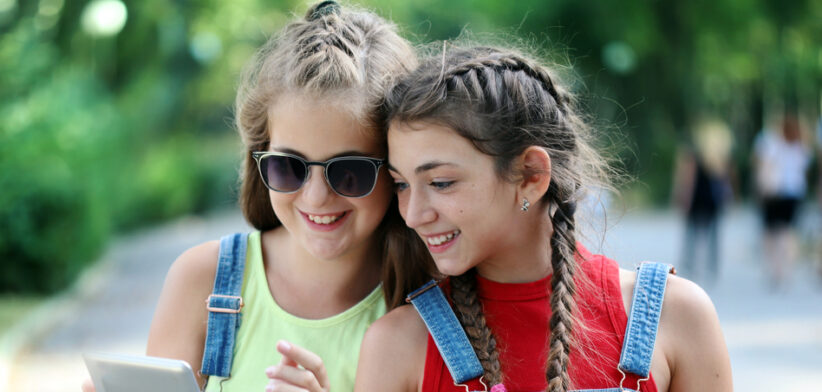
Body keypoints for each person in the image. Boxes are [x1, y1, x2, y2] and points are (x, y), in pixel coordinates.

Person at [82, 2, 432, 392]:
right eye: (289, 167)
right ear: (260, 158)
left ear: (396, 171)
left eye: (350, 173)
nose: (316, 197)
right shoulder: (203, 281)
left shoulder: (430, 313)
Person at [356, 45, 733, 392]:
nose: (413, 215)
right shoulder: (398, 345)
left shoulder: (676, 317)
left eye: (441, 182)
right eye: (401, 184)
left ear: (532, 176)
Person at [671, 119, 733, 284]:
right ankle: (712, 267)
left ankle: (690, 265)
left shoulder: (693, 154)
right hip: (713, 201)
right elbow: (726, 180)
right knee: (713, 236)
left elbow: (688, 179)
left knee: (692, 234)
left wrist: (684, 199)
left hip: (697, 201)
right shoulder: (718, 157)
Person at [753, 113, 811, 289]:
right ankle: (786, 270)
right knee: (788, 232)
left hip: (774, 193)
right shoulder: (801, 147)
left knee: (771, 232)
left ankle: (775, 269)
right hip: (794, 194)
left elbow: (763, 166)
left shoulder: (771, 143)